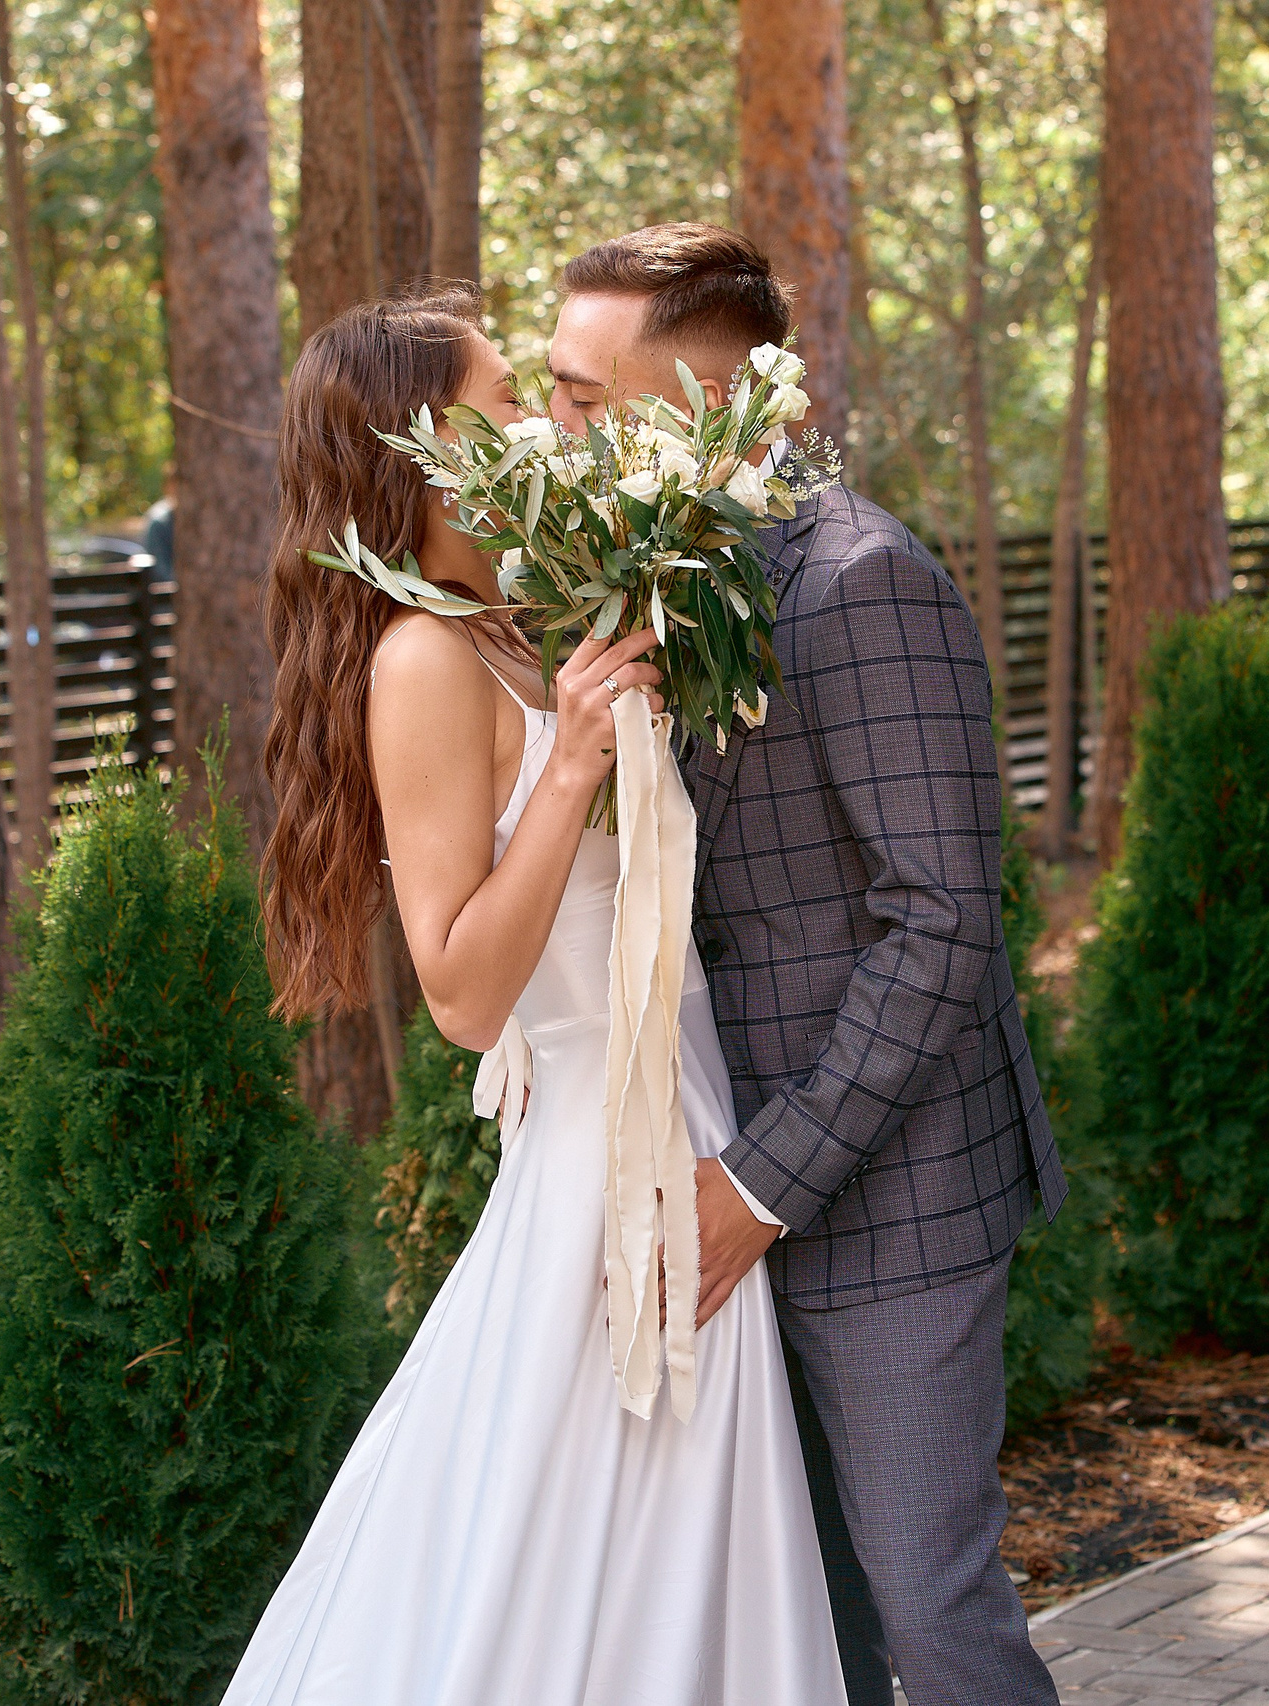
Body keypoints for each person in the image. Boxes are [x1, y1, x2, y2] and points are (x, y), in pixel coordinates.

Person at [221, 284, 841, 1704]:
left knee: (667, 1547)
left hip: (679, 1110)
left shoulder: (509, 621)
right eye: (505, 404)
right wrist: (570, 770)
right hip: (600, 1164)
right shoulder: (424, 658)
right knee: (571, 1546)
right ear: (423, 447)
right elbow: (457, 988)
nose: (535, 431)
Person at [547, 224, 1066, 1705]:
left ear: (713, 409)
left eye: (589, 402)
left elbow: (944, 924)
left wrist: (759, 1187)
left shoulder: (860, 584)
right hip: (717, 1164)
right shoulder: (650, 583)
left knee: (928, 1608)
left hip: (887, 1191)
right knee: (803, 1624)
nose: (554, 428)